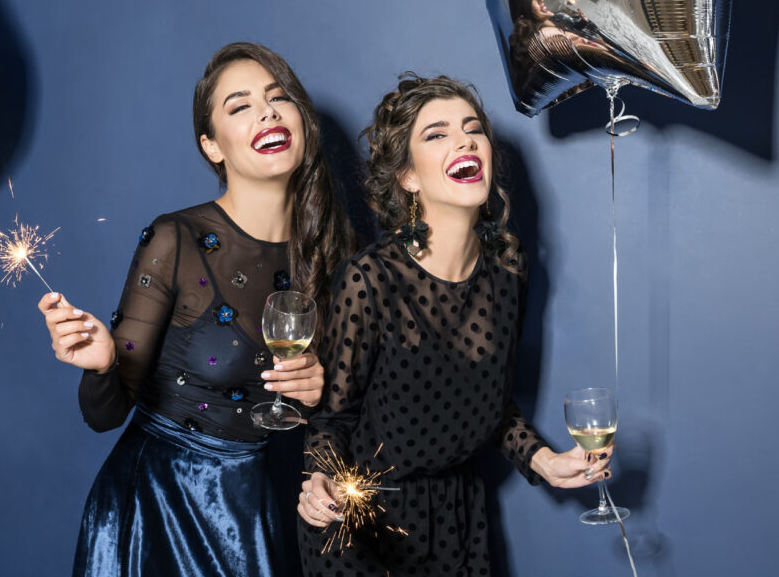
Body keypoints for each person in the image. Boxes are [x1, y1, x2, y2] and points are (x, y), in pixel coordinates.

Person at [39, 42, 354, 576]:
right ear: (212, 146)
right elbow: (104, 415)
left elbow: (342, 414)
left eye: (278, 98)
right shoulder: (176, 239)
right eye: (240, 105)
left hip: (253, 506)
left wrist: (321, 396)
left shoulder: (333, 249)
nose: (267, 112)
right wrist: (102, 365)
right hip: (154, 509)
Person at [296, 74, 610, 576]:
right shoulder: (370, 278)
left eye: (473, 129)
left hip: (462, 520)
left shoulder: (509, 270)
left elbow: (491, 407)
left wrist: (544, 462)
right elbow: (332, 419)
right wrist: (319, 481)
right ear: (408, 177)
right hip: (362, 525)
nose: (464, 139)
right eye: (436, 134)